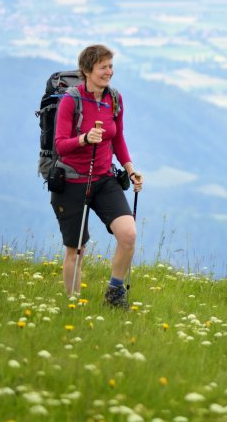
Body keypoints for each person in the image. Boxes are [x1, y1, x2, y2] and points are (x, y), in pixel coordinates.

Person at [50, 44, 143, 309]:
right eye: (103, 67)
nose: (109, 72)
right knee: (76, 250)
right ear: (88, 70)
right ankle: (72, 305)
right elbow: (60, 145)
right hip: (71, 181)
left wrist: (130, 168)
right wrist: (84, 139)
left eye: (111, 66)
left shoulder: (114, 99)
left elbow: (118, 138)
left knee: (128, 235)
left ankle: (114, 293)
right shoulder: (71, 100)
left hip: (103, 179)